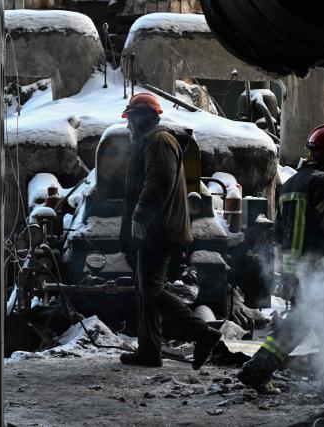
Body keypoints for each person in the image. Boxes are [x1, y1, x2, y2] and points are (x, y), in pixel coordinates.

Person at [237, 124, 324, 392]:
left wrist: (286, 273)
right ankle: (259, 369)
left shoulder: (292, 183)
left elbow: (281, 233)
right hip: (318, 269)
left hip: (294, 269)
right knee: (305, 324)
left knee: (319, 322)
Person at [119, 92, 222, 369]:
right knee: (145, 289)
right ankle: (150, 351)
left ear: (142, 119)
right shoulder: (150, 141)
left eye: (130, 118)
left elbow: (158, 181)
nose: (128, 124)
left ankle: (204, 334)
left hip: (159, 230)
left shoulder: (159, 141)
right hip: (155, 229)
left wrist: (140, 216)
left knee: (151, 290)